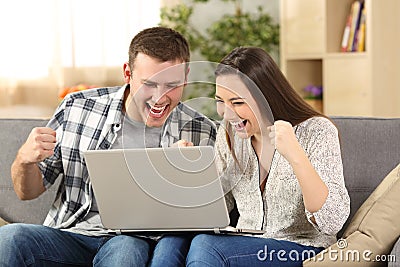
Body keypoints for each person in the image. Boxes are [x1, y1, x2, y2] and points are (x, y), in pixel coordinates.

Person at [0, 27, 216, 267]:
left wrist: (184, 176)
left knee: (125, 252)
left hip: (134, 240)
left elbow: (208, 220)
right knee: (9, 237)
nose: (160, 97)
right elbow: (26, 192)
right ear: (127, 72)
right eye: (149, 84)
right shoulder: (78, 108)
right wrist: (24, 160)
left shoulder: (201, 131)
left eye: (172, 85)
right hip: (71, 234)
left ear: (186, 75)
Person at [186, 47, 350, 266]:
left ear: (266, 97)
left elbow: (332, 221)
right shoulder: (229, 136)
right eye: (220, 101)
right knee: (177, 243)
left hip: (304, 250)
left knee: (207, 246)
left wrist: (296, 155)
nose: (226, 113)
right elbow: (217, 210)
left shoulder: (317, 131)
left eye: (237, 102)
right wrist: (189, 172)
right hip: (245, 249)